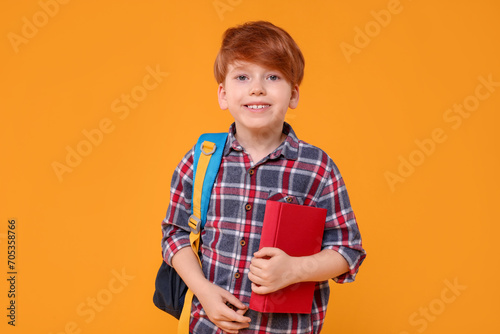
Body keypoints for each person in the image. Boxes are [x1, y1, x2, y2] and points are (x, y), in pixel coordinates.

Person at [161, 20, 366, 334]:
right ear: (223, 94)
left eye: (273, 76)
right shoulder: (200, 160)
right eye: (242, 76)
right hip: (208, 325)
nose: (257, 87)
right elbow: (174, 234)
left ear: (293, 94)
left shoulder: (317, 168)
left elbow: (347, 250)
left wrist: (296, 269)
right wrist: (202, 290)